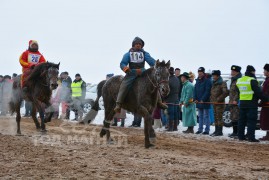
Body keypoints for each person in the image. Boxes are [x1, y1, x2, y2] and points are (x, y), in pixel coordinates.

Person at [114, 37, 167, 113]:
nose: (138, 45)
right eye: (136, 44)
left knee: (154, 83)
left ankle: (159, 102)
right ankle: (118, 104)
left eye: (139, 44)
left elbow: (150, 60)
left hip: (143, 72)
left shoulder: (145, 53)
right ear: (133, 45)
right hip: (131, 72)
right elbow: (122, 63)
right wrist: (126, 68)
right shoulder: (128, 54)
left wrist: (157, 64)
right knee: (124, 84)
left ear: (142, 46)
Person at [236, 65, 268, 142]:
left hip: (242, 103)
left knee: (241, 121)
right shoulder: (252, 80)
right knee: (251, 121)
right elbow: (258, 92)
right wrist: (266, 99)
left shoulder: (240, 80)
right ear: (252, 72)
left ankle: (240, 136)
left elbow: (238, 91)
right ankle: (251, 137)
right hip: (251, 103)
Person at [210, 70, 228, 136]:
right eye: (213, 75)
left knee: (219, 117)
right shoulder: (214, 83)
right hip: (214, 103)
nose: (213, 77)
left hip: (219, 104)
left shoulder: (222, 83)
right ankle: (216, 130)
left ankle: (220, 131)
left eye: (214, 75)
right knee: (215, 117)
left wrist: (218, 99)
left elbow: (225, 92)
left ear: (218, 76)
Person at [194, 67, 212, 135]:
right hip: (198, 101)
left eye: (200, 73)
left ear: (203, 73)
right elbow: (195, 90)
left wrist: (203, 99)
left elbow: (207, 91)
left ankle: (207, 130)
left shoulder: (207, 80)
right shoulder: (197, 80)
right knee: (200, 116)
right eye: (198, 73)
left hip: (205, 101)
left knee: (206, 116)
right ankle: (200, 129)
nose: (199, 74)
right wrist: (195, 98)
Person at [228, 65, 242, 138]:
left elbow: (238, 91)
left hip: (235, 102)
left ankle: (237, 132)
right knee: (233, 117)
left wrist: (236, 100)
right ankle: (234, 132)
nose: (232, 72)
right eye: (232, 71)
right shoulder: (233, 79)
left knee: (236, 117)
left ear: (237, 72)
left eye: (233, 71)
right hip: (232, 101)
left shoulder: (239, 79)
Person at [164, 67, 180, 131]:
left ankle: (170, 127)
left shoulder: (168, 80)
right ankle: (175, 127)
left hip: (170, 98)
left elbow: (166, 90)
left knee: (171, 113)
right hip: (176, 98)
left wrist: (164, 98)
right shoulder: (177, 79)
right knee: (175, 113)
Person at [259, 64, 269, 141]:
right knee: (265, 120)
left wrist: (264, 99)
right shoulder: (267, 80)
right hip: (265, 103)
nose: (263, 72)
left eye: (265, 70)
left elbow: (266, 93)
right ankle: (267, 135)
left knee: (267, 120)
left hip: (267, 104)